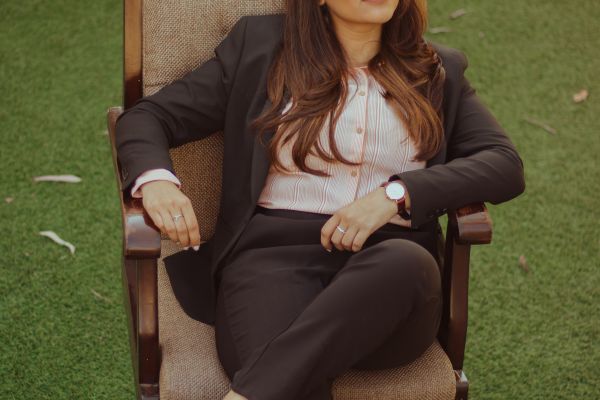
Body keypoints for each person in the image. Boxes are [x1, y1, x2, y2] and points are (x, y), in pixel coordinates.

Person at [115, 1, 526, 399]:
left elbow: (503, 164)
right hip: (271, 264)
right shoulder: (262, 49)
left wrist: (395, 195)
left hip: (390, 287)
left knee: (407, 263)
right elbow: (148, 117)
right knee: (286, 375)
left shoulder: (436, 70)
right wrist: (158, 183)